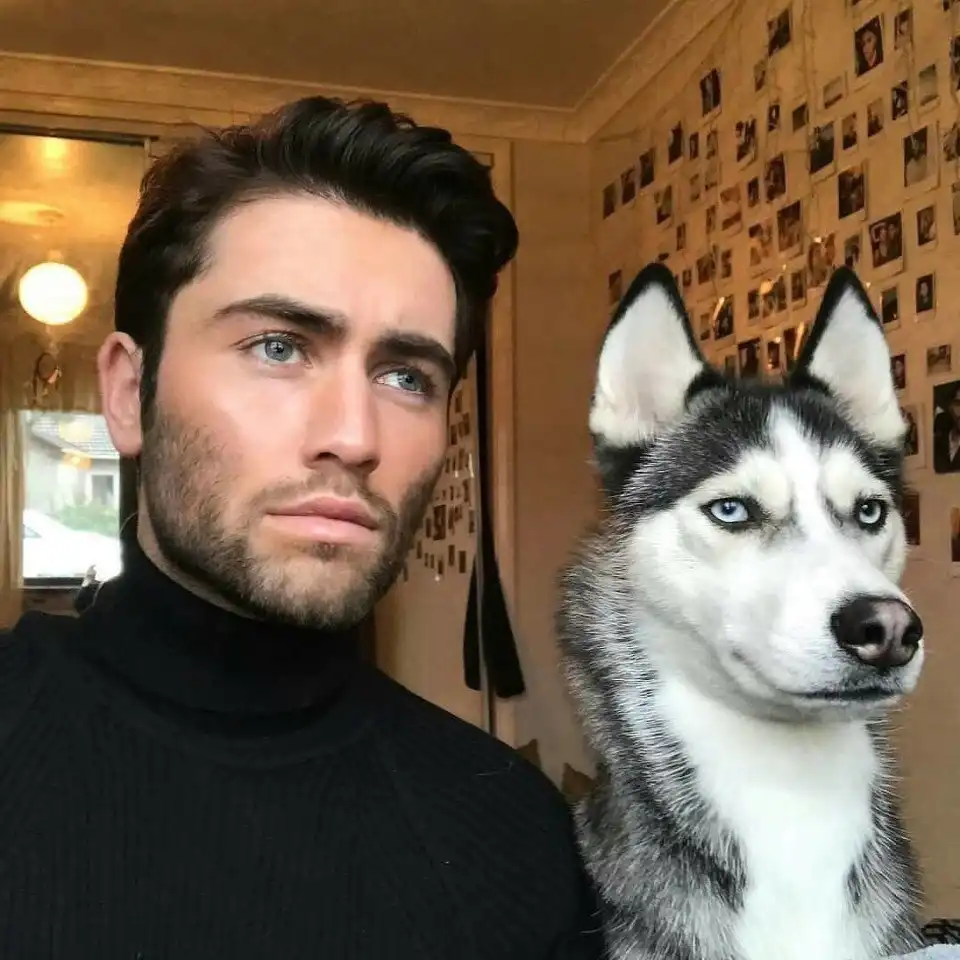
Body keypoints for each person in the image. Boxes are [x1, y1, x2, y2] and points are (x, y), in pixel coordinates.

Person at [0, 97, 604, 958]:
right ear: (130, 394)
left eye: (406, 377)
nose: (354, 438)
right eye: (279, 347)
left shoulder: (517, 839)